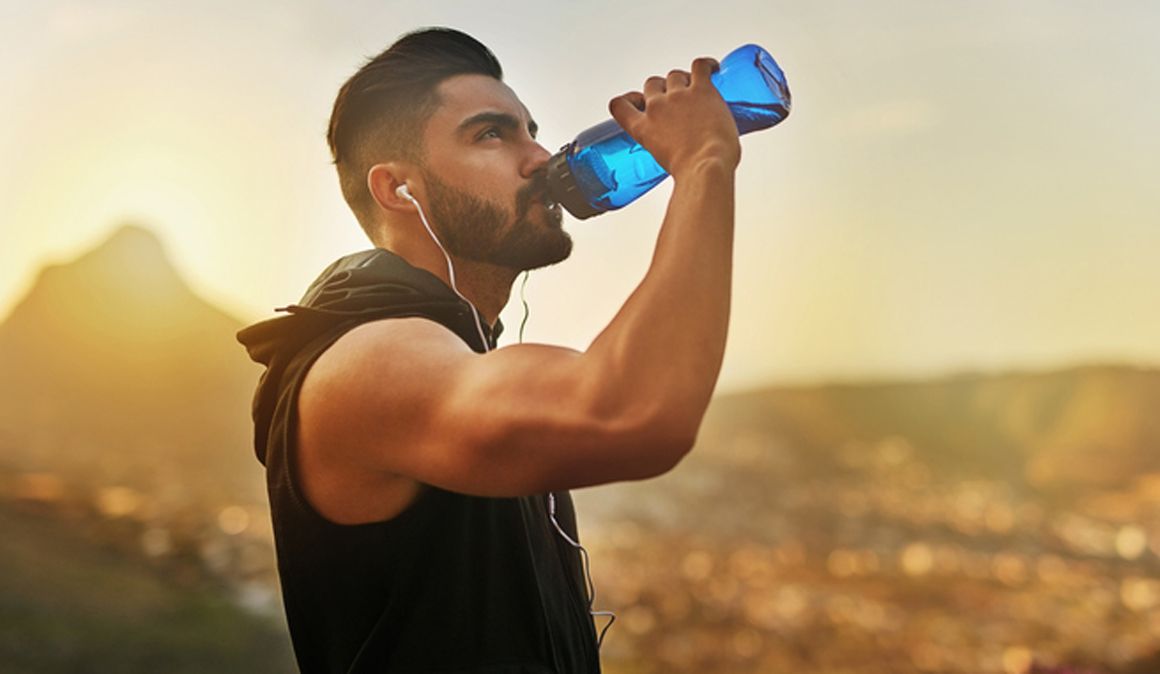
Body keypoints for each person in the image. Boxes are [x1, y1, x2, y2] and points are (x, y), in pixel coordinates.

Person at [237, 26, 741, 674]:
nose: (538, 157)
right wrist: (703, 163)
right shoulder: (368, 354)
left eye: (530, 130)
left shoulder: (460, 352)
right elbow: (630, 410)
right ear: (399, 189)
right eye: (491, 135)